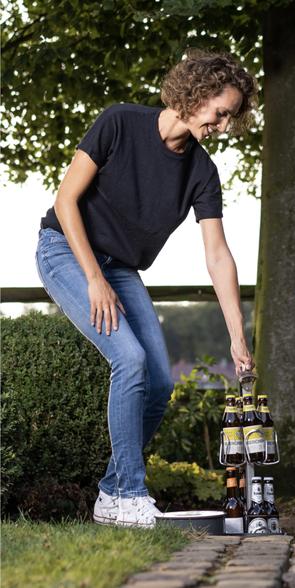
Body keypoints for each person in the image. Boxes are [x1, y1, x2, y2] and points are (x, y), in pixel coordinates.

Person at [36, 51, 257, 528]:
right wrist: (93, 278)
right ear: (196, 94)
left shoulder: (202, 172)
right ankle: (133, 495)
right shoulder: (119, 122)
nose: (222, 124)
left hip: (121, 269)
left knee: (159, 383)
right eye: (221, 111)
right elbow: (66, 199)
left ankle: (112, 493)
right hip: (65, 250)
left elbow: (218, 254)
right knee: (130, 360)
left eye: (230, 117)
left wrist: (237, 335)